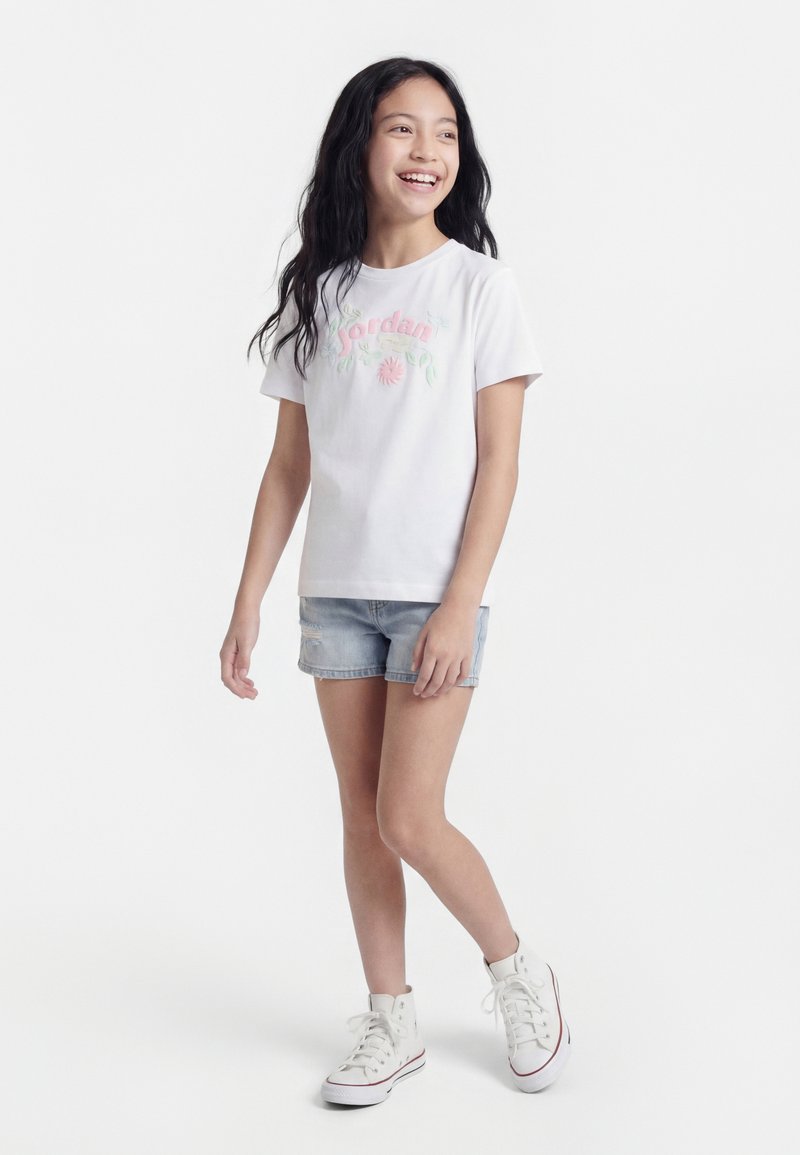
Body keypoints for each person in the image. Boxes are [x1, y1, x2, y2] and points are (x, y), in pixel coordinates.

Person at [220, 56, 571, 1107]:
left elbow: (500, 464)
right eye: (402, 128)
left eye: (445, 133)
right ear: (359, 145)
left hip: (431, 599)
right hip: (334, 594)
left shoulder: (478, 287)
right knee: (362, 818)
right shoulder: (318, 292)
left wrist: (459, 604)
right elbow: (289, 466)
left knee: (410, 815)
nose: (427, 151)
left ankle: (517, 970)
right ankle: (391, 1019)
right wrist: (248, 597)